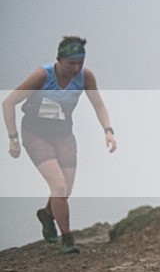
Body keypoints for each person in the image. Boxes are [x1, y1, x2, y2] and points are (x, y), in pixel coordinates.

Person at [3, 36, 117, 254]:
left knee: (66, 189)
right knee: (58, 185)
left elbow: (98, 105)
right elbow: (8, 103)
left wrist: (108, 131)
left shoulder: (85, 77)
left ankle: (47, 214)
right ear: (59, 60)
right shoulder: (43, 75)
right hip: (35, 134)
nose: (76, 68)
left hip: (63, 134)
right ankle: (67, 238)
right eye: (71, 63)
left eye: (80, 63)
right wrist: (13, 138)